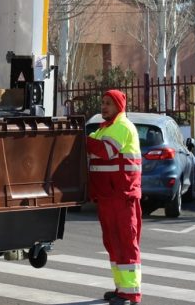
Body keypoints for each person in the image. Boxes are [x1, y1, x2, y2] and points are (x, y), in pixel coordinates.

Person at [86, 90, 142, 305]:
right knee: (113, 243)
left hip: (122, 195)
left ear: (119, 106)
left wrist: (83, 140)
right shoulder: (102, 130)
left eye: (108, 103)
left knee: (126, 243)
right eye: (102, 102)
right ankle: (121, 288)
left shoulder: (122, 126)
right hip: (108, 196)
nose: (104, 106)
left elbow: (105, 151)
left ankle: (131, 294)